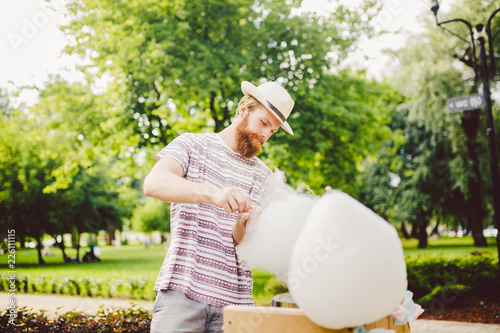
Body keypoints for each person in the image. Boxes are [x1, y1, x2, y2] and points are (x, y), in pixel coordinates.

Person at [143, 80, 296, 333]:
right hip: (182, 294)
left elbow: (242, 242)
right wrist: (213, 193)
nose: (266, 135)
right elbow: (154, 183)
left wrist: (244, 224)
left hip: (236, 306)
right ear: (243, 109)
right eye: (264, 123)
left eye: (273, 131)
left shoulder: (264, 176)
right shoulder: (192, 144)